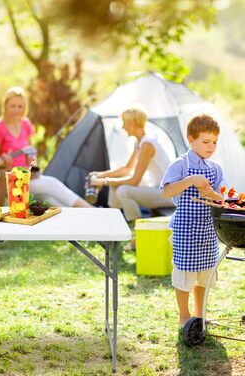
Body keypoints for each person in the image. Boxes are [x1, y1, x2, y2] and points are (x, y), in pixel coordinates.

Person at [160, 114, 226, 327]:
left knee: (204, 275)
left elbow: (222, 197)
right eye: (205, 142)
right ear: (191, 139)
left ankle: (200, 314)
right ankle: (184, 316)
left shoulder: (216, 169)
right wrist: (190, 181)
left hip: (207, 230)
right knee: (185, 275)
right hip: (185, 230)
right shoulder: (180, 164)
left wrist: (212, 195)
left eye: (215, 142)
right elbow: (166, 192)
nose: (211, 147)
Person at [0, 86, 92, 207]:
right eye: (13, 106)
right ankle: (92, 210)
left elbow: (31, 153)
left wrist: (34, 169)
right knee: (51, 184)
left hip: (29, 177)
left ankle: (86, 215)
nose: (16, 110)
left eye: (20, 106)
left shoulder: (25, 123)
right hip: (11, 180)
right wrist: (3, 163)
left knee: (51, 201)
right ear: (5, 106)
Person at [89, 107, 174, 222]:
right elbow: (127, 168)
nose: (122, 127)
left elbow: (135, 180)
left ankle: (137, 229)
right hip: (156, 188)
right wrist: (100, 175)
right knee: (117, 183)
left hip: (168, 194)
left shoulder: (147, 144)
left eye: (124, 123)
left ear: (133, 123)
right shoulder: (140, 142)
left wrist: (104, 182)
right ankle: (113, 220)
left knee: (123, 191)